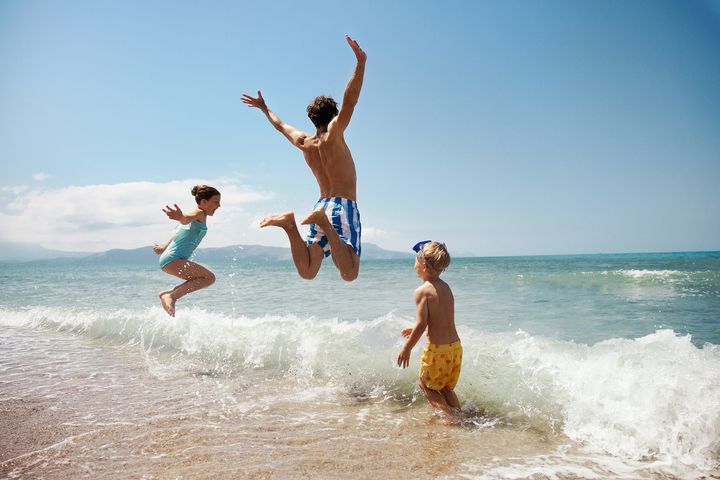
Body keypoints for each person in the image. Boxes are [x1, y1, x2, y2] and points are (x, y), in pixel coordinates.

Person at [241, 34, 366, 282]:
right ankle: (325, 224)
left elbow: (281, 126)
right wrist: (360, 63)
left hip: (321, 203)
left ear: (312, 120)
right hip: (341, 206)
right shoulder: (334, 135)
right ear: (334, 115)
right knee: (349, 273)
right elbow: (350, 101)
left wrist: (265, 108)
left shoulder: (305, 143)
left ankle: (289, 225)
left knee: (308, 271)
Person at [397, 241, 462, 417]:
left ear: (423, 266)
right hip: (455, 348)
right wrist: (416, 328)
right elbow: (442, 320)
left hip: (438, 351)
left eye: (415, 261)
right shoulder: (446, 287)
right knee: (446, 388)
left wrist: (406, 348)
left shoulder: (422, 291)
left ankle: (448, 420)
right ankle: (459, 415)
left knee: (426, 385)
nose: (414, 265)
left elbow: (422, 324)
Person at [153, 185, 221, 317]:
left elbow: (177, 233)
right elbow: (186, 218)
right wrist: (180, 216)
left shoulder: (199, 216)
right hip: (173, 259)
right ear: (203, 202)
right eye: (216, 202)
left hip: (170, 259)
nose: (219, 205)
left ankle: (168, 294)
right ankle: (171, 296)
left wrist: (163, 247)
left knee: (202, 278)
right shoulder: (199, 213)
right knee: (209, 278)